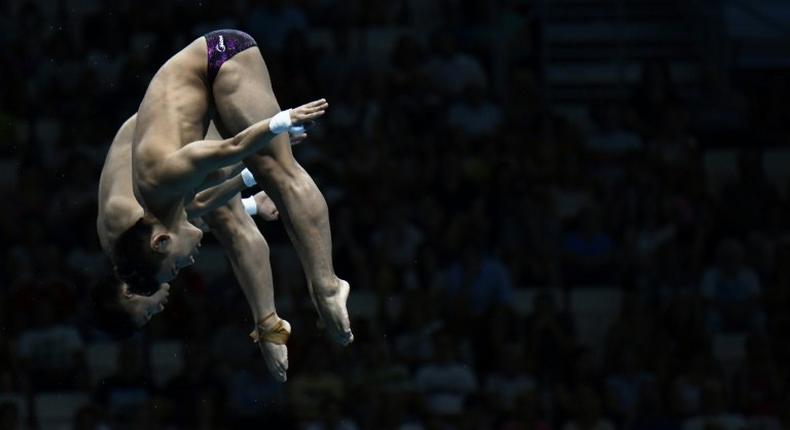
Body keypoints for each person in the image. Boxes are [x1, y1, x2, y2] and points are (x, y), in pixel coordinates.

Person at [126, 28, 352, 346]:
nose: (188, 263)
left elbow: (230, 149)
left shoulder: (162, 177)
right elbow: (209, 197)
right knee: (263, 171)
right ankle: (322, 288)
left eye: (175, 264)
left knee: (278, 171)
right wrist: (249, 186)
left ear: (161, 242)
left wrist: (282, 122)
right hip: (206, 94)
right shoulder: (167, 208)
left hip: (221, 55)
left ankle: (327, 287)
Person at [96, 114, 293, 381]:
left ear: (130, 293)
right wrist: (252, 203)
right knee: (219, 220)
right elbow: (191, 218)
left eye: (148, 312)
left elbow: (198, 205)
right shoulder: (128, 250)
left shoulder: (124, 219)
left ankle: (269, 326)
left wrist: (259, 155)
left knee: (233, 228)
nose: (159, 309)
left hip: (172, 122)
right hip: (162, 135)